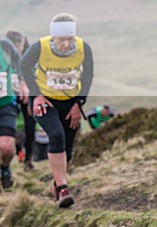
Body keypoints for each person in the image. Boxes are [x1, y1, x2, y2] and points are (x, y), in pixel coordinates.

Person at [21, 13, 94, 207]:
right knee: (56, 135)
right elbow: (24, 66)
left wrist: (79, 104)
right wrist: (36, 95)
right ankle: (63, 189)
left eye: (69, 39)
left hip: (70, 102)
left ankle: (56, 183)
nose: (66, 44)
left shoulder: (83, 48)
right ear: (53, 37)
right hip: (45, 101)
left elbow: (88, 76)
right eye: (61, 40)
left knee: (67, 150)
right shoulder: (40, 47)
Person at [6, 31, 36, 172]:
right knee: (8, 125)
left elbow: (35, 77)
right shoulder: (5, 54)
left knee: (30, 125)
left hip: (27, 93)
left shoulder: (30, 54)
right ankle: (17, 151)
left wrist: (32, 99)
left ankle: (28, 158)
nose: (18, 47)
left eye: (19, 44)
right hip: (10, 93)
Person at [0, 36, 24, 190]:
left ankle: (5, 167)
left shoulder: (5, 46)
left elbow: (19, 61)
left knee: (7, 147)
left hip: (6, 105)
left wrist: (22, 82)